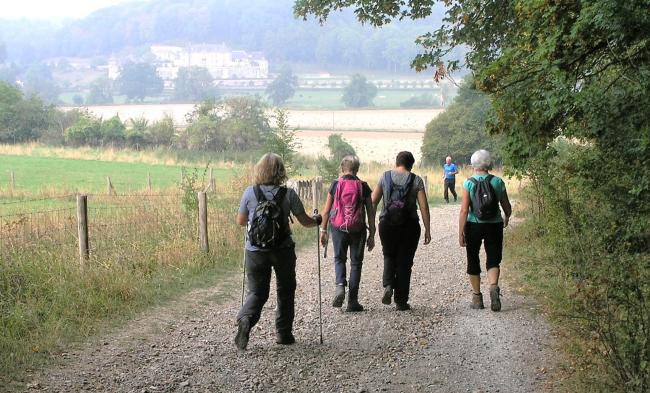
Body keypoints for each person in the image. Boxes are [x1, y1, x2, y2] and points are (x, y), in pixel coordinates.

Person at [235, 153, 322, 350]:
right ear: (280, 171)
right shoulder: (288, 194)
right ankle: (283, 334)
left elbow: (241, 221)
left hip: (255, 251)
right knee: (285, 290)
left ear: (259, 170)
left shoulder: (249, 192)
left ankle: (246, 319)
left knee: (257, 292)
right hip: (283, 250)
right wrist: (317, 219)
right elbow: (306, 221)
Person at [372, 151, 431, 310]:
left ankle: (388, 285)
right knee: (405, 262)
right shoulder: (416, 180)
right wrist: (427, 229)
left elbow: (373, 202)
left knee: (389, 255)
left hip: (387, 224)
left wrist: (371, 225)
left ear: (396, 162)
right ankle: (401, 301)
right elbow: (424, 206)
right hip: (409, 226)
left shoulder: (384, 177)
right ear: (411, 164)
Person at [319, 155, 376, 312]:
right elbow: (370, 212)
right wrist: (372, 233)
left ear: (342, 168)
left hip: (338, 228)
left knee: (339, 259)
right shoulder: (363, 186)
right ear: (357, 169)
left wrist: (323, 231)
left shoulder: (336, 185)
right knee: (356, 263)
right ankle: (352, 301)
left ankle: (339, 287)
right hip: (358, 229)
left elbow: (326, 211)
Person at [458, 149, 512, 311]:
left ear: (473, 164)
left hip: (473, 225)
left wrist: (461, 231)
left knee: (473, 258)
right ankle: (493, 287)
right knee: (493, 258)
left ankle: (477, 298)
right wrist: (507, 216)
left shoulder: (468, 183)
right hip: (494, 224)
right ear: (489, 163)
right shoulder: (497, 182)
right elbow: (506, 205)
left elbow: (464, 210)